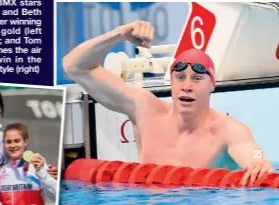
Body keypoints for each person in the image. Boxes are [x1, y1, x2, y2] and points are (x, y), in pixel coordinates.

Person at [61, 20, 276, 186]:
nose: (187, 85)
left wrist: (259, 159)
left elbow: (254, 152)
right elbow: (74, 66)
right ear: (171, 83)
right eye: (180, 77)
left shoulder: (227, 129)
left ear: (212, 85)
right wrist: (120, 34)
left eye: (197, 79)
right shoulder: (145, 110)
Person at [0, 123, 56, 205]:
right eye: (8, 142)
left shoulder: (37, 167)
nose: (12, 145)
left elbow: (54, 196)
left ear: (25, 142)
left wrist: (43, 174)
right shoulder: (1, 171)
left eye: (17, 141)